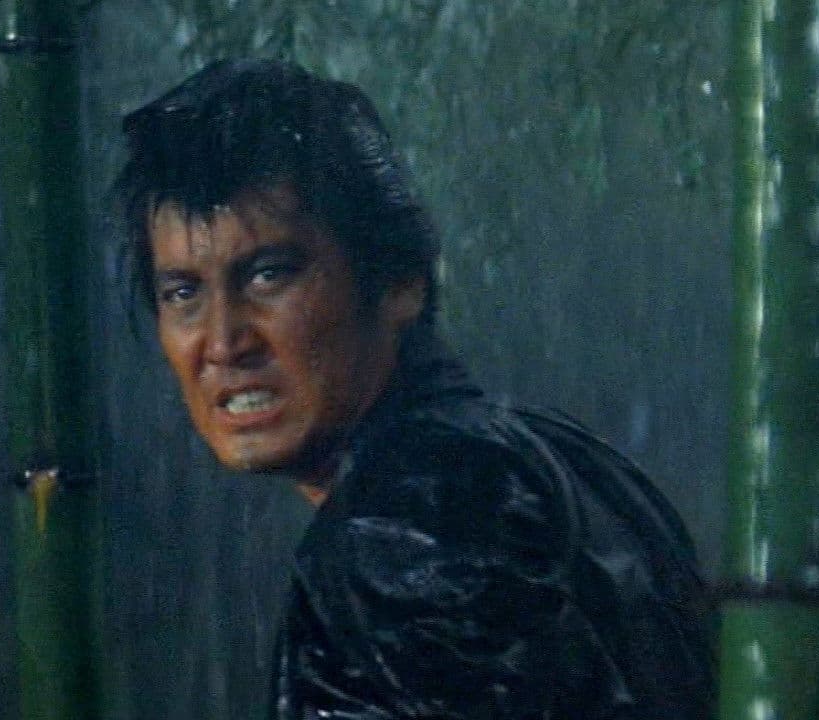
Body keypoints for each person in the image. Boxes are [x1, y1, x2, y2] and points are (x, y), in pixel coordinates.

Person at [115, 59, 711, 719]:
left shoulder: (404, 523)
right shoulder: (561, 459)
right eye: (183, 293)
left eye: (269, 274)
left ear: (400, 280)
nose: (224, 342)